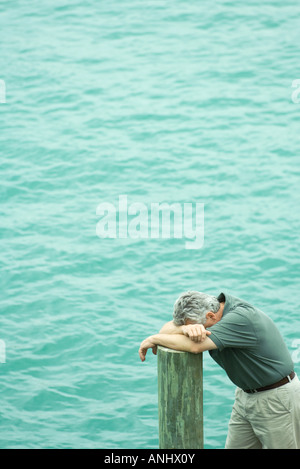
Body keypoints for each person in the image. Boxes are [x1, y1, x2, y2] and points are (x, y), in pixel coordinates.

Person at [138, 291, 300, 449]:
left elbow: (195, 346)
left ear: (210, 316)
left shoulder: (240, 318)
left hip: (276, 398)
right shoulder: (215, 308)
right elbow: (167, 328)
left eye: (197, 327)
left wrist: (153, 339)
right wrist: (184, 329)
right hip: (245, 395)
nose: (194, 333)